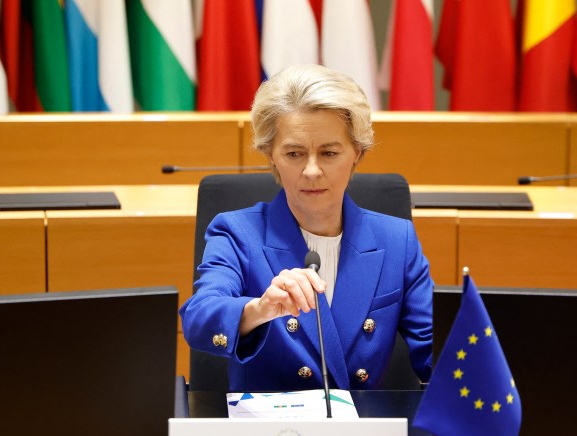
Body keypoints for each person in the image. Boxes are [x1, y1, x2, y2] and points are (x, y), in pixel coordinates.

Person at [180, 64, 433, 392]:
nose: (312, 170)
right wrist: (259, 308)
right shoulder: (236, 232)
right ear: (271, 155)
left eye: (329, 153)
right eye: (295, 153)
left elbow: (435, 350)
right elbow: (199, 318)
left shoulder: (397, 240)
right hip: (270, 435)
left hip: (362, 433)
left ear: (356, 153)